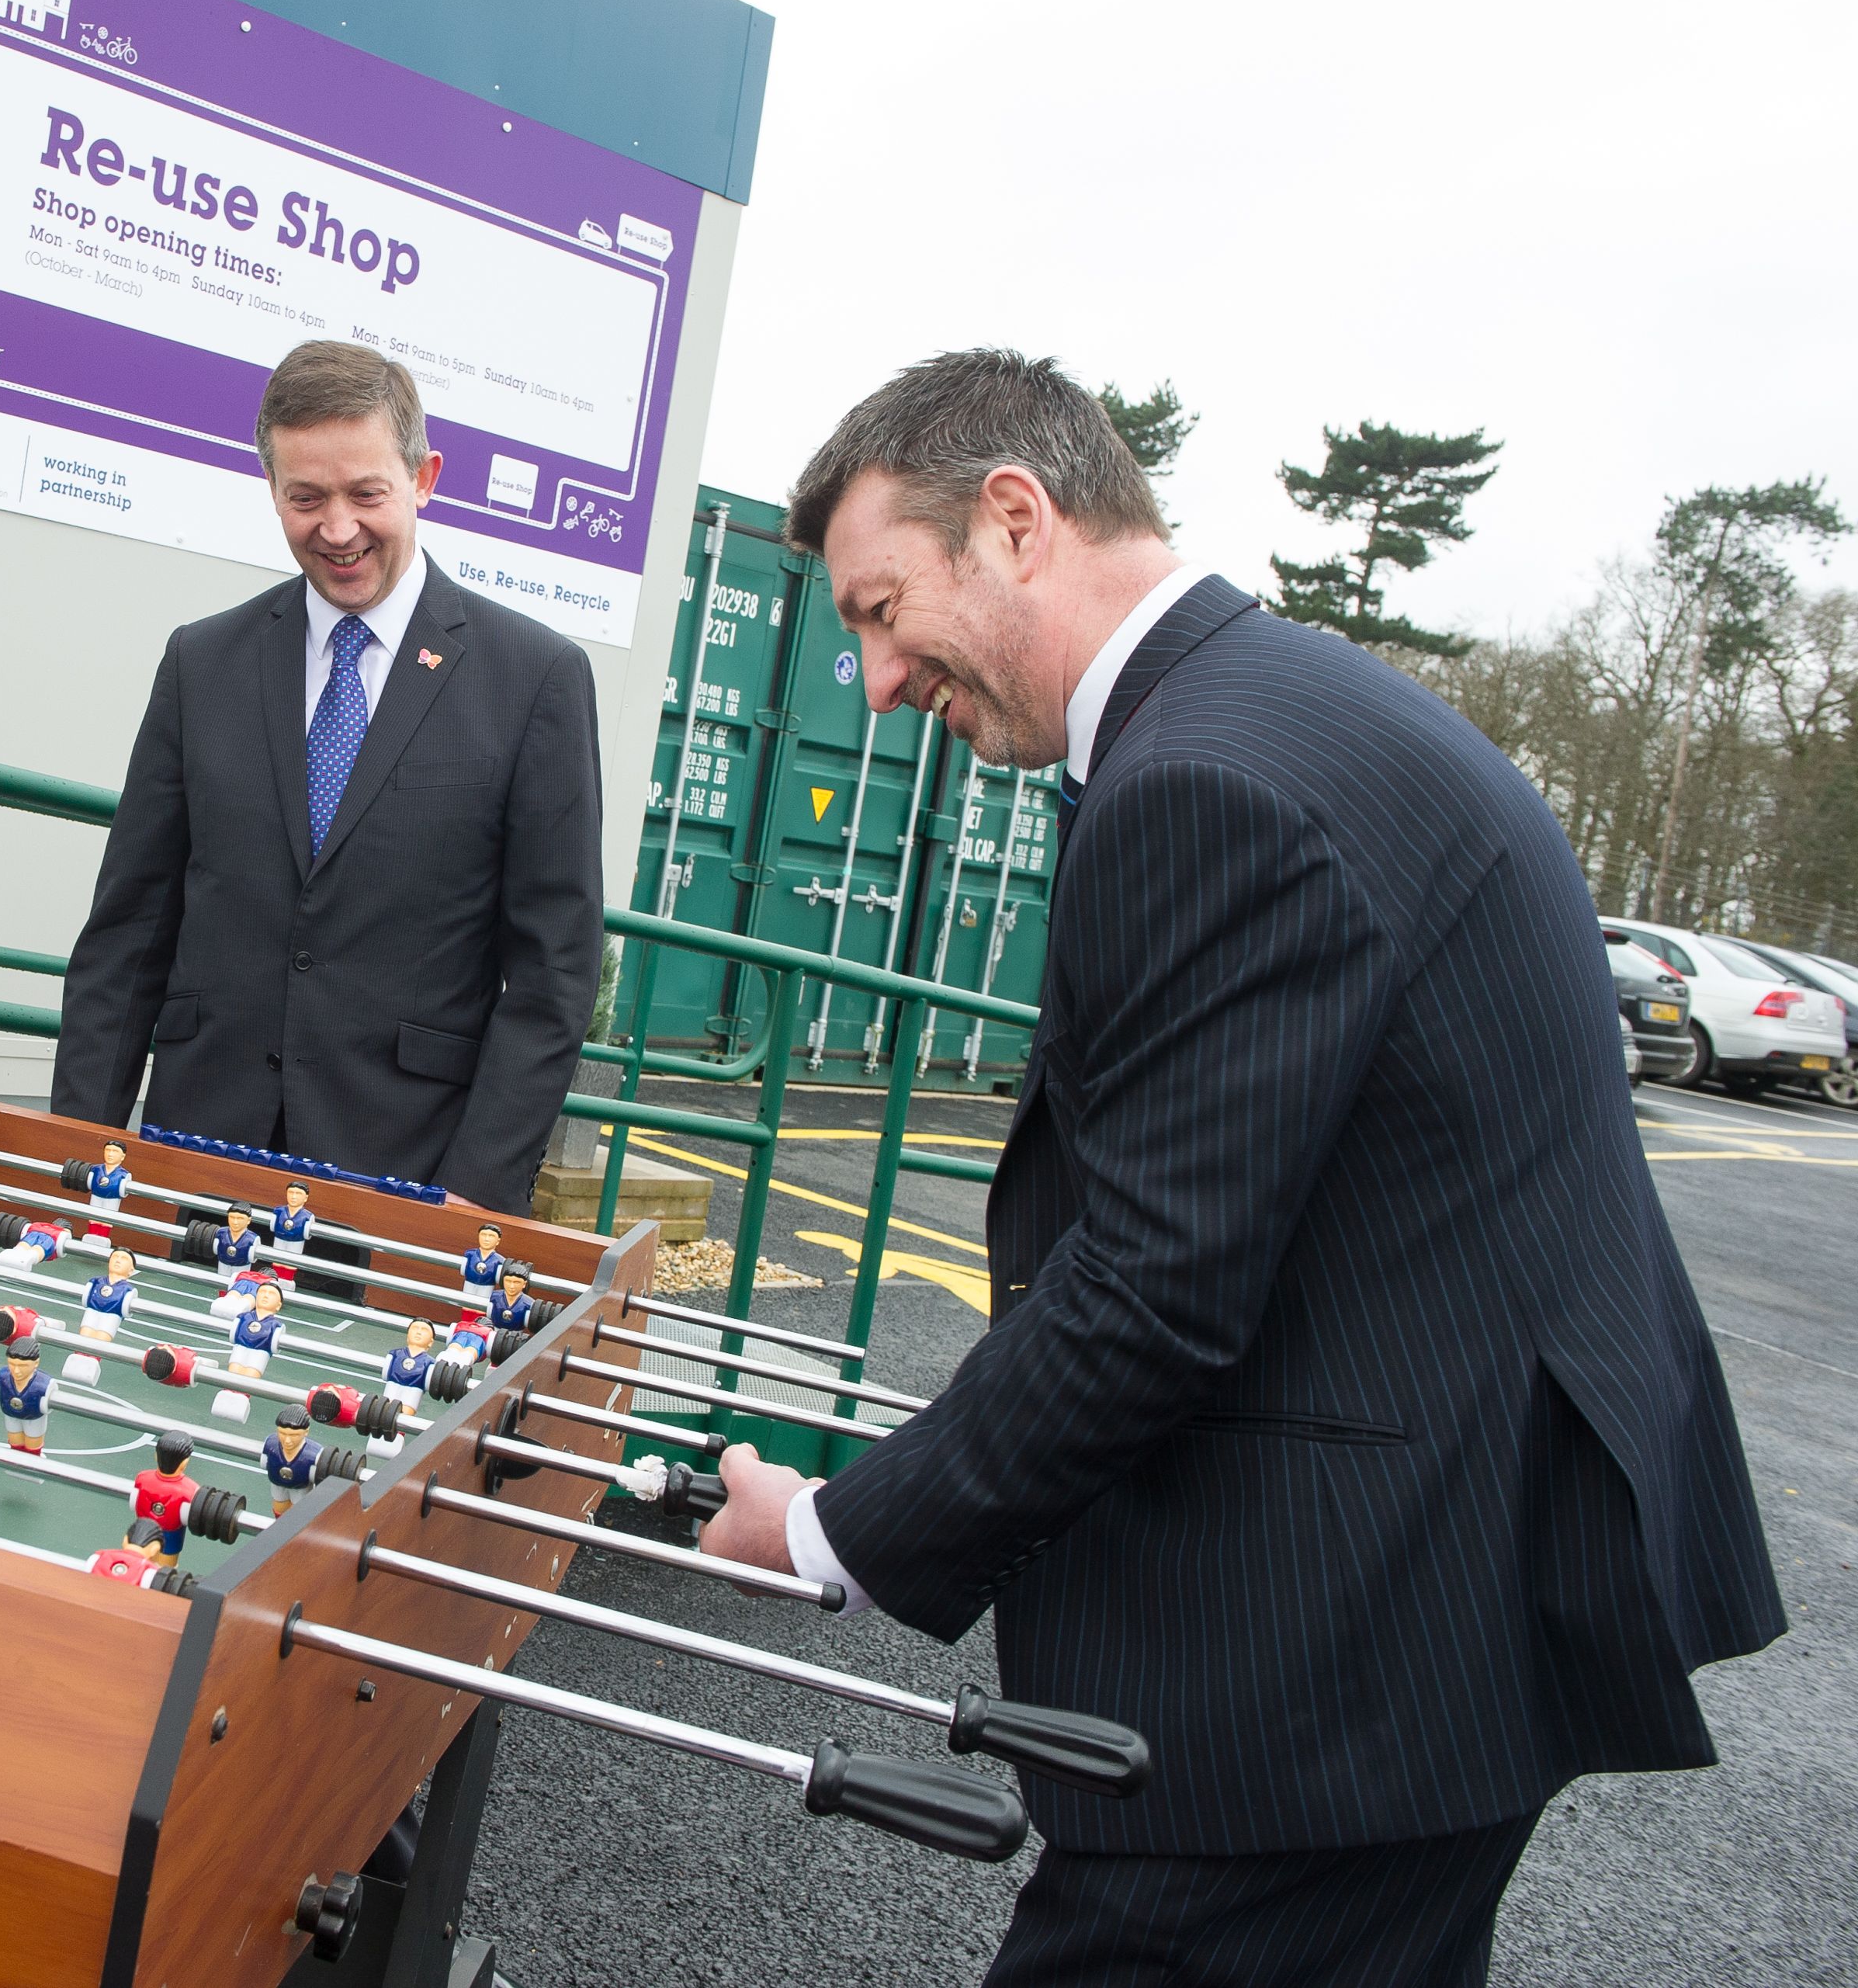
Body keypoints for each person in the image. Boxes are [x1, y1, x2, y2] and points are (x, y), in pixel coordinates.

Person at [698, 350, 1783, 1985]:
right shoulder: (1281, 708)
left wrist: (833, 1532)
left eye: (880, 607)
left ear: (1013, 519)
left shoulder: (1206, 776)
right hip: (1431, 1619)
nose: (872, 679)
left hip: (1314, 1666)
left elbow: (1152, 1287)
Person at [51, 341, 605, 1217]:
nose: (337, 530)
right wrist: (79, 1150)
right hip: (198, 1160)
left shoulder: (535, 679)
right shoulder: (203, 663)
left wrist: (473, 1198)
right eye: (306, 498)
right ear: (272, 488)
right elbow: (128, 933)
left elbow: (552, 975)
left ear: (424, 478)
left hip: (404, 1184)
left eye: (366, 494)